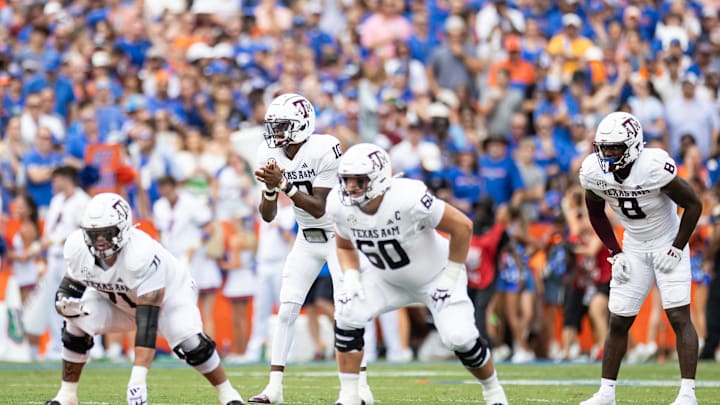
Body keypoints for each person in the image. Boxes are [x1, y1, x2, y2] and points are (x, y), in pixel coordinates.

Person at [326, 143, 508, 405]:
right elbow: (343, 245)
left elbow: (463, 227)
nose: (350, 187)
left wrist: (450, 276)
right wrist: (352, 275)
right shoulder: (338, 203)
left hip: (436, 275)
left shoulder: (408, 198)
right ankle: (350, 396)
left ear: (378, 179)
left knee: (460, 337)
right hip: (385, 278)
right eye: (346, 180)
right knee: (346, 310)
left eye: (359, 180)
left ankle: (493, 392)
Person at [43, 193, 245, 405]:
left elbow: (147, 325)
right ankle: (66, 396)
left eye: (107, 233)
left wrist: (137, 380)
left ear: (123, 228)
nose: (100, 241)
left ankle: (227, 393)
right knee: (75, 322)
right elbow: (70, 287)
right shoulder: (77, 248)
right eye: (94, 234)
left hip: (170, 297)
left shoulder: (140, 254)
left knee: (190, 341)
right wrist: (64, 304)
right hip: (116, 302)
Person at [251, 93, 373, 404]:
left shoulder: (325, 148)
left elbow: (320, 207)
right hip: (306, 238)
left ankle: (361, 387)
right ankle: (274, 388)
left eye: (282, 126)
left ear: (302, 125)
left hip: (337, 236)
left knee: (347, 308)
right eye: (273, 126)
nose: (275, 134)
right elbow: (267, 215)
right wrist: (269, 188)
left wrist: (284, 185)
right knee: (287, 307)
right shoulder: (269, 152)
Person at [578, 111, 702, 405]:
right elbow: (595, 213)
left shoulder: (653, 166)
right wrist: (613, 250)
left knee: (678, 315)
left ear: (633, 144)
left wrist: (677, 246)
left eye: (615, 147)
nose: (608, 154)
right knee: (618, 320)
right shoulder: (593, 171)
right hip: (632, 244)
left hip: (667, 241)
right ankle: (606, 393)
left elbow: (694, 204)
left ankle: (688, 394)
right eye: (604, 147)